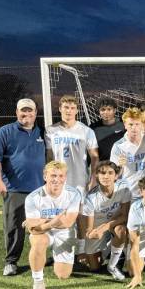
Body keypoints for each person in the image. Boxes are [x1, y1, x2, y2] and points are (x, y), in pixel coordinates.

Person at [0, 98, 46, 276]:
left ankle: (44, 256)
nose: (26, 114)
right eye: (23, 111)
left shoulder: (42, 131)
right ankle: (11, 262)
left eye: (30, 111)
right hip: (15, 189)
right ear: (16, 112)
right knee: (14, 227)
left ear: (36, 113)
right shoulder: (5, 132)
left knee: (43, 225)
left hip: (40, 190)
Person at [44, 95, 99, 258]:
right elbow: (49, 156)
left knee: (81, 214)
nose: (69, 111)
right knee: (58, 214)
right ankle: (59, 250)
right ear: (60, 109)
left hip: (79, 179)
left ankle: (81, 250)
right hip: (58, 181)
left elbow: (94, 156)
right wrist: (49, 177)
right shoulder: (50, 130)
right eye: (66, 107)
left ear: (77, 110)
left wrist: (94, 177)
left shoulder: (86, 130)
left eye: (72, 108)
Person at [24, 161, 82, 289]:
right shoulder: (33, 197)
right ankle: (38, 281)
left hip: (64, 232)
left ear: (65, 177)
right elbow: (34, 230)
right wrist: (50, 224)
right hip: (44, 231)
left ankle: (53, 257)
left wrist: (43, 220)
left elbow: (68, 222)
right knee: (39, 241)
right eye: (53, 175)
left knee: (63, 275)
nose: (57, 179)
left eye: (61, 176)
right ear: (45, 176)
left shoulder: (73, 194)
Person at [80, 161, 131, 281]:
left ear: (116, 176)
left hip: (115, 222)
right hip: (97, 227)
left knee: (121, 230)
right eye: (102, 173)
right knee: (94, 267)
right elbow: (89, 228)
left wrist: (105, 227)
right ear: (96, 175)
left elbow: (124, 215)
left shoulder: (124, 187)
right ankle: (109, 249)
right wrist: (90, 234)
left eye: (110, 173)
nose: (106, 176)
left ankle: (112, 265)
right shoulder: (90, 198)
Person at [110, 107, 145, 200]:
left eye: (137, 124)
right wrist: (119, 166)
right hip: (130, 194)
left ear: (142, 125)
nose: (134, 128)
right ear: (125, 125)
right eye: (130, 124)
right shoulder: (118, 146)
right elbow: (114, 175)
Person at [89, 96, 125, 161]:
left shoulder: (123, 124)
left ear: (114, 110)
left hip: (121, 162)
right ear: (99, 111)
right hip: (103, 165)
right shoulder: (93, 128)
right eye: (103, 110)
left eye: (109, 109)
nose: (106, 112)